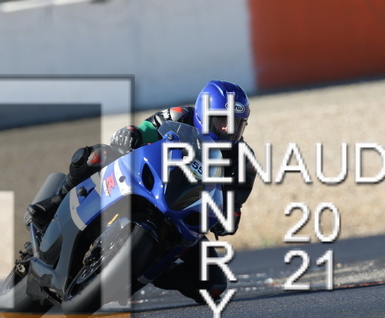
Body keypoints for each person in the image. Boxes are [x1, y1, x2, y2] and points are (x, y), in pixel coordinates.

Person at [28, 80, 257, 301]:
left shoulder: (244, 160)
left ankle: (150, 269)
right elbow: (145, 130)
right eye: (222, 120)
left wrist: (227, 217)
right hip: (150, 183)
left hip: (184, 215)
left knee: (214, 285)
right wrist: (130, 134)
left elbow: (234, 204)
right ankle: (54, 203)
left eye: (236, 124)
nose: (228, 129)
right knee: (96, 156)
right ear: (202, 114)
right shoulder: (179, 115)